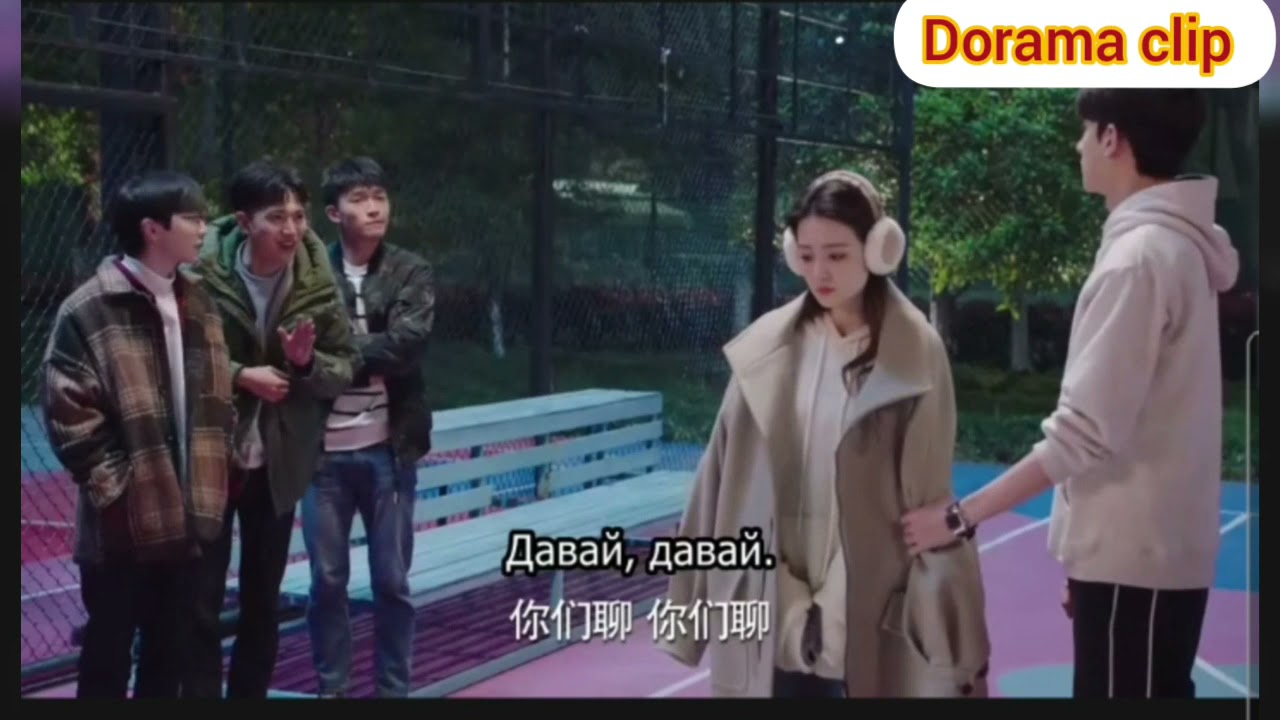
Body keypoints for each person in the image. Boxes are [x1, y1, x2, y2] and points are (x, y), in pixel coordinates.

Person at [901, 89, 1239, 699]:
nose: (1079, 146)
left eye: (1086, 132)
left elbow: (1081, 433)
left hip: (1137, 563)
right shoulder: (1168, 247)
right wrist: (1090, 565)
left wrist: (958, 517)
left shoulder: (1140, 259)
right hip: (1139, 561)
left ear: (1112, 138)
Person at [656, 170, 990, 698]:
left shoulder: (916, 353)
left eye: (836, 255)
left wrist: (839, 604)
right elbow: (716, 481)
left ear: (878, 249)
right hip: (766, 584)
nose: (820, 272)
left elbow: (924, 498)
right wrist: (689, 615)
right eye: (807, 255)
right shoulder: (766, 346)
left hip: (869, 592)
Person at [41, 171, 233, 698]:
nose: (204, 227)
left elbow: (219, 399)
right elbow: (67, 409)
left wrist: (217, 473)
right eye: (192, 217)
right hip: (121, 526)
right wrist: (118, 489)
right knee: (107, 653)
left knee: (168, 655)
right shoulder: (89, 307)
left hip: (189, 518)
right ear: (152, 229)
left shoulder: (200, 302)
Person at [185, 158, 359, 698]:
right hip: (210, 459)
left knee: (263, 601)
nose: (291, 229)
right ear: (244, 222)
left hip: (278, 463)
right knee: (199, 602)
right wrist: (241, 375)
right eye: (276, 218)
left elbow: (344, 365)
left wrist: (305, 365)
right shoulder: (197, 275)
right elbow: (176, 359)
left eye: (299, 216)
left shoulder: (317, 281)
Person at [301, 156, 435, 698]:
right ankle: (332, 689)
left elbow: (408, 345)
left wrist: (330, 356)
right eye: (359, 199)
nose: (375, 208)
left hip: (389, 450)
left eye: (379, 196)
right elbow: (294, 351)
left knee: (392, 583)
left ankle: (393, 690)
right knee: (327, 582)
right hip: (321, 456)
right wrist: (348, 356)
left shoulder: (411, 270)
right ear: (335, 213)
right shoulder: (308, 273)